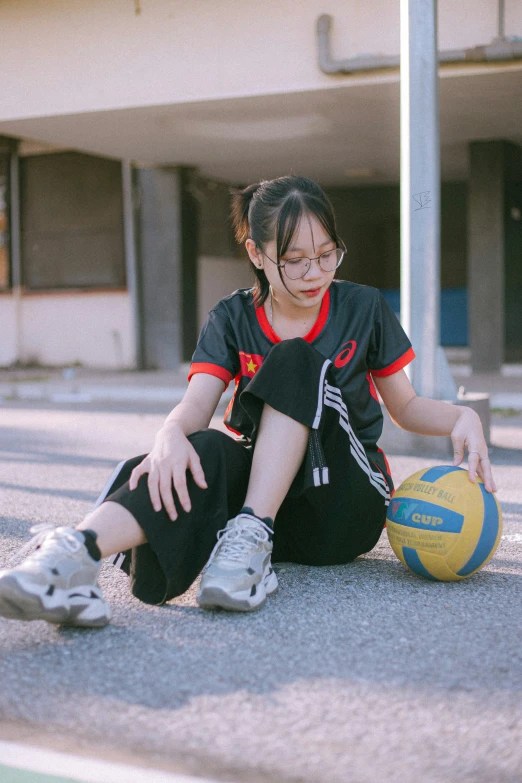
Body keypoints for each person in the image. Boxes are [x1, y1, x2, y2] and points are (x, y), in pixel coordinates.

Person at [0, 176, 495, 628]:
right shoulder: (232, 316)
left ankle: (252, 534)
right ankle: (72, 560)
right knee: (201, 449)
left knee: (296, 359)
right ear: (257, 254)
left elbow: (405, 409)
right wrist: (170, 435)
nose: (314, 272)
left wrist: (461, 415)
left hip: (341, 505)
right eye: (295, 259)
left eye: (326, 254)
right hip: (259, 509)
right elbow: (196, 408)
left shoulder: (362, 307)